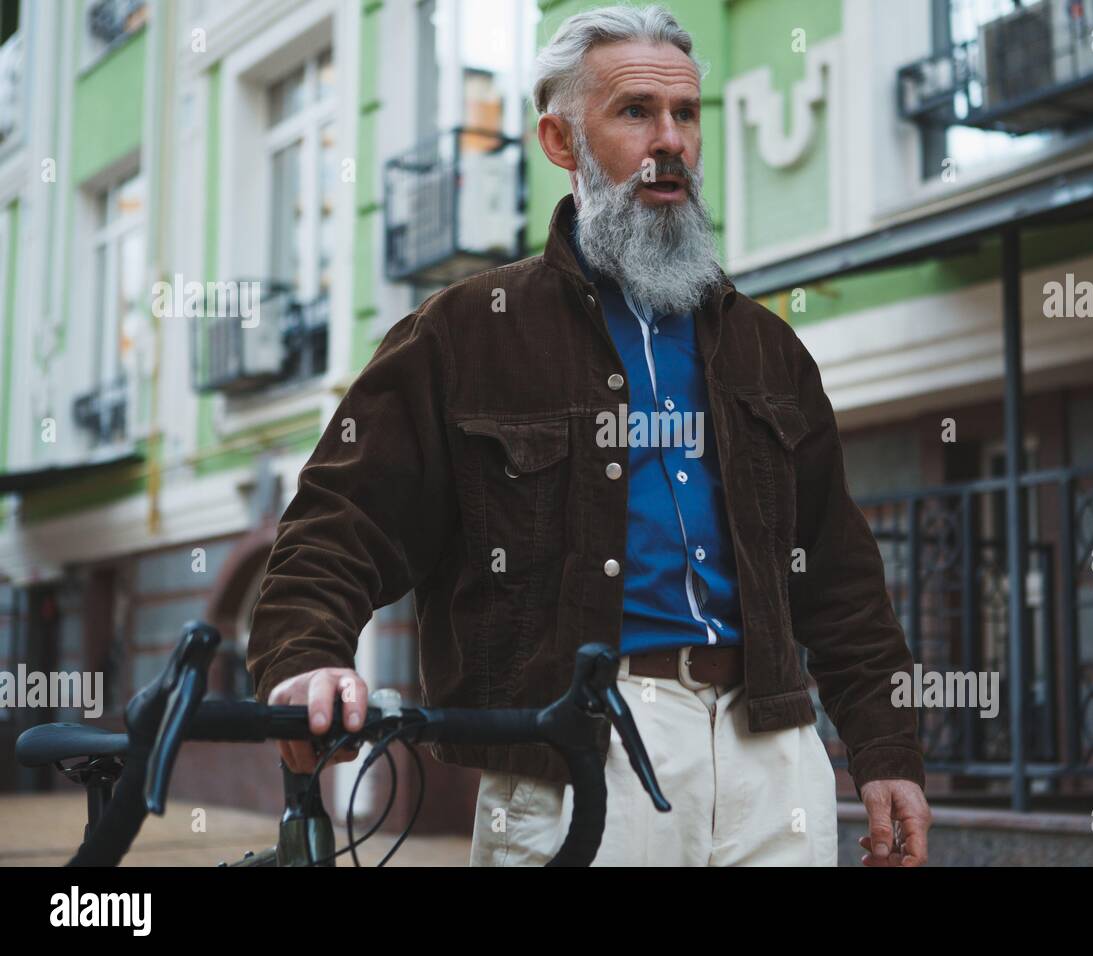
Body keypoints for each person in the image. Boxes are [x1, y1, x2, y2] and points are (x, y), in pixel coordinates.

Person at [247, 3, 930, 867]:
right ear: (561, 141)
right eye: (636, 112)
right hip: (575, 754)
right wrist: (305, 659)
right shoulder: (466, 333)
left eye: (685, 114)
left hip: (773, 757)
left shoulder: (766, 347)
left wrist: (884, 749)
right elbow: (338, 521)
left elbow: (839, 573)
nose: (671, 140)